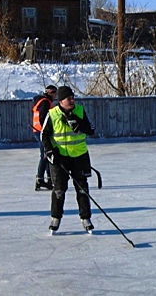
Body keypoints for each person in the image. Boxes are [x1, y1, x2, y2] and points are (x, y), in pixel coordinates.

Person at [41, 86, 96, 234]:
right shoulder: (52, 114)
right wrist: (50, 150)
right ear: (61, 101)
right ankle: (55, 218)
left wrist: (79, 123)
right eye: (68, 98)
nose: (72, 100)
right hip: (60, 159)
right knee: (59, 189)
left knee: (82, 189)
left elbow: (92, 129)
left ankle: (86, 218)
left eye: (72, 97)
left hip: (80, 156)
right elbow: (44, 135)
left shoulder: (80, 110)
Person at [32, 85, 57, 191]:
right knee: (45, 155)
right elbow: (42, 117)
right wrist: (46, 131)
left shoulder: (41, 100)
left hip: (37, 130)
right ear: (50, 92)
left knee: (46, 155)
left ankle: (49, 178)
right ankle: (40, 179)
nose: (56, 95)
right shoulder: (45, 102)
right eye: (54, 93)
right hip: (41, 131)